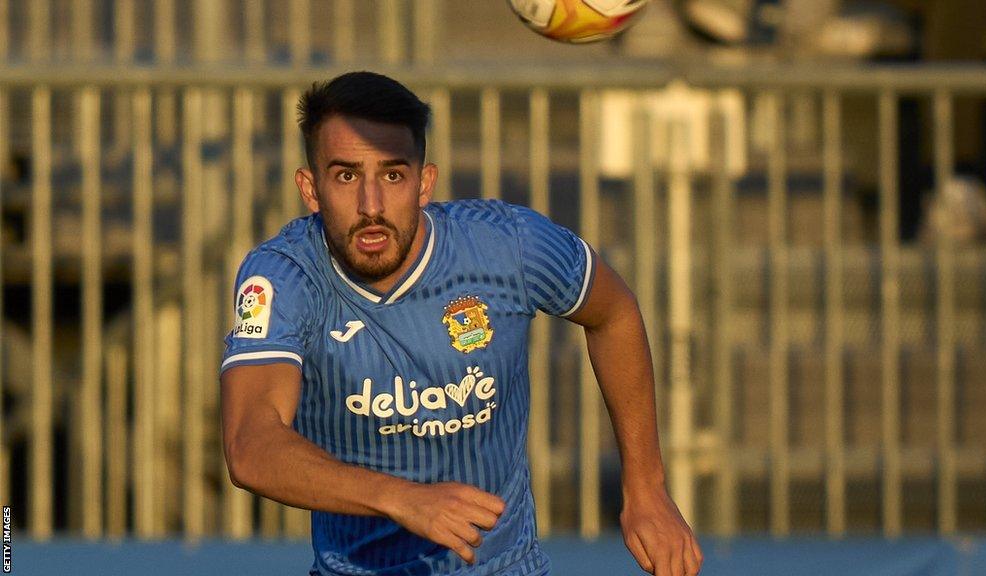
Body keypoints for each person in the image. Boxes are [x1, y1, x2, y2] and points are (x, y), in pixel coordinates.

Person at [219, 71, 702, 576]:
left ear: (424, 182)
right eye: (345, 176)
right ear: (310, 189)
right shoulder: (284, 276)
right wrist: (402, 499)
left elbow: (613, 310)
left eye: (392, 175)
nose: (371, 206)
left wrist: (646, 489)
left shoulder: (508, 246)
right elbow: (250, 446)